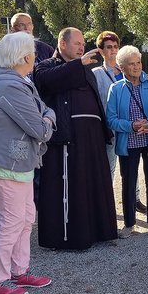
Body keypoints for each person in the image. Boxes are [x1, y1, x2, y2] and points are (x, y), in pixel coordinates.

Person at [0, 32, 56, 294]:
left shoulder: (19, 81)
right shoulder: (9, 86)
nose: (36, 57)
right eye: (33, 53)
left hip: (20, 163)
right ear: (25, 56)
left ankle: (18, 271)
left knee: (25, 219)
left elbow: (44, 109)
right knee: (11, 222)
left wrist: (46, 116)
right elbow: (39, 127)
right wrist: (47, 121)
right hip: (7, 163)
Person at [34, 28, 117, 250]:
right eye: (77, 43)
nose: (82, 47)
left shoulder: (86, 68)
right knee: (73, 185)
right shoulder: (46, 65)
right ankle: (71, 237)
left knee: (94, 184)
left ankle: (98, 231)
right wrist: (77, 65)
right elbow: (46, 81)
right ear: (62, 43)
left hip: (91, 136)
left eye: (83, 43)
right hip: (67, 138)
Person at [106, 45, 148, 239]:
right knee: (128, 183)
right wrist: (131, 125)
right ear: (122, 67)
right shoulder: (116, 89)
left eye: (138, 62)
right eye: (131, 64)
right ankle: (129, 224)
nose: (136, 67)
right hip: (128, 142)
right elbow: (111, 119)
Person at [92, 31, 146, 213]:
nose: (113, 50)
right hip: (109, 129)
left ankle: (135, 198)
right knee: (109, 167)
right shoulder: (97, 74)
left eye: (115, 46)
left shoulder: (129, 70)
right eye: (108, 47)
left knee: (132, 167)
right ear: (101, 51)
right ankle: (107, 203)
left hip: (131, 128)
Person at [0, 12, 54, 87]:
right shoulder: (2, 46)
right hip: (12, 93)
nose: (26, 28)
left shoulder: (44, 48)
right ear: (12, 29)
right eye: (21, 25)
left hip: (39, 98)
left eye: (29, 24)